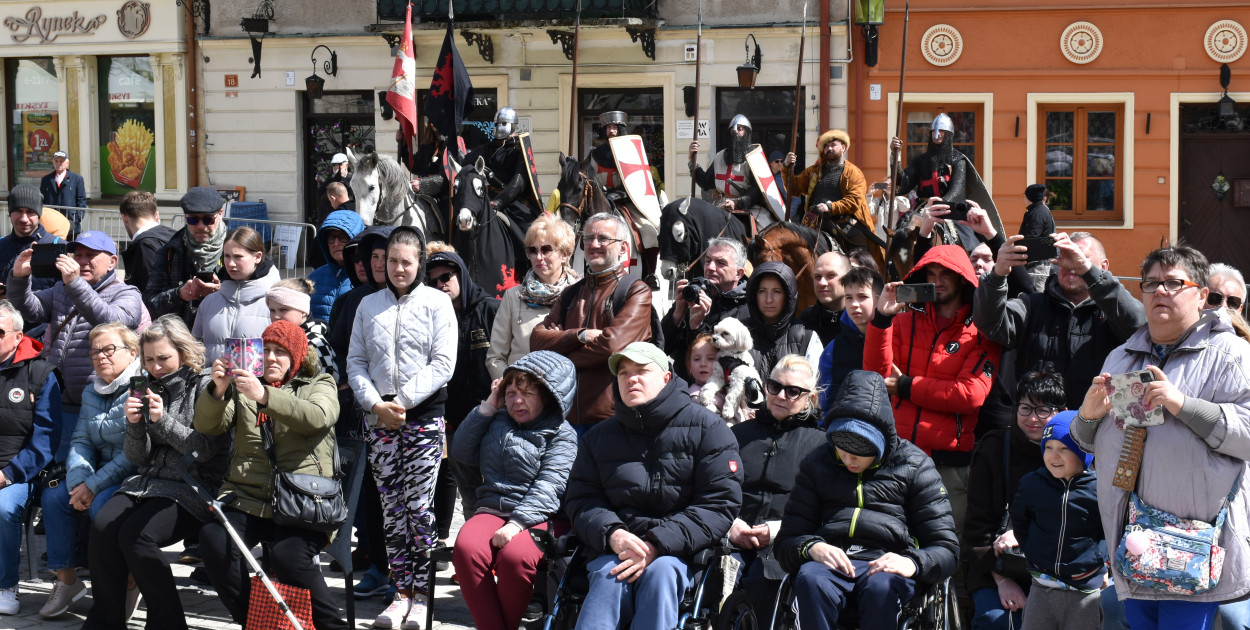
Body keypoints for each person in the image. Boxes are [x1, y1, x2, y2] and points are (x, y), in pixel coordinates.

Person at [1070, 244, 1250, 630]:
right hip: (1133, 540)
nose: (1161, 292)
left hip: (1192, 545)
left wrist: (1183, 405)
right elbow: (1088, 443)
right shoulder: (1122, 356)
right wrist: (1086, 416)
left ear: (1202, 295)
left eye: (1174, 282)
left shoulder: (1232, 354)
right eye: (1151, 284)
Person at [563, 341, 742, 630]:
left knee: (660, 573)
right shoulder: (598, 438)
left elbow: (719, 503)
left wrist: (658, 543)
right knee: (610, 573)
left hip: (680, 552)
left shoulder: (709, 429)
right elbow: (581, 499)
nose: (631, 378)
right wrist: (612, 533)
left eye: (641, 371)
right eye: (623, 373)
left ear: (667, 378)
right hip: (616, 548)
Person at [775, 369, 959, 630]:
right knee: (810, 578)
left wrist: (912, 562)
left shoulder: (916, 466)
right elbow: (787, 540)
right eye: (842, 449)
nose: (849, 460)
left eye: (860, 452)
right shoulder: (818, 462)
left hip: (888, 562)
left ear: (881, 442)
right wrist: (811, 547)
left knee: (881, 586)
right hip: (830, 561)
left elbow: (947, 549)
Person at [194, 320, 344, 629]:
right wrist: (217, 390)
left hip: (303, 500)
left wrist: (264, 395)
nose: (272, 358)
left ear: (298, 357)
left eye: (281, 352)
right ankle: (255, 621)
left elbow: (318, 417)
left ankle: (334, 626)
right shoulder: (244, 385)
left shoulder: (319, 382)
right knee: (214, 541)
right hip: (249, 496)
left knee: (289, 557)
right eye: (267, 350)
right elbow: (208, 426)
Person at [83, 315, 228, 630]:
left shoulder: (205, 385)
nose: (156, 366)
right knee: (103, 526)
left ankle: (168, 623)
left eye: (163, 358)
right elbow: (137, 457)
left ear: (183, 352)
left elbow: (204, 451)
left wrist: (162, 421)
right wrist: (134, 427)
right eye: (149, 360)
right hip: (146, 483)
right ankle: (106, 621)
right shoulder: (145, 387)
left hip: (193, 485)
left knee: (137, 536)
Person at [348, 226, 456, 629]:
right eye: (391, 260)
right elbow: (355, 362)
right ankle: (401, 592)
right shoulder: (368, 305)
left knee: (417, 507)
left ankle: (424, 594)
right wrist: (376, 403)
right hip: (379, 418)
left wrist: (403, 402)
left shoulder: (436, 304)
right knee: (391, 509)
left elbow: (443, 364)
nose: (397, 268)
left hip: (422, 417)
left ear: (419, 264)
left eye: (406, 262)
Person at [864, 243, 1001, 537]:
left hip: (948, 465)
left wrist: (906, 386)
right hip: (896, 455)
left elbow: (970, 395)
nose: (937, 281)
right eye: (931, 273)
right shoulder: (901, 320)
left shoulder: (982, 331)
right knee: (891, 543)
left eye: (945, 274)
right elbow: (877, 376)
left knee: (948, 550)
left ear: (963, 278)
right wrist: (882, 319)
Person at [450, 351, 578, 630]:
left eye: (527, 393)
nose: (517, 401)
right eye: (510, 393)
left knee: (515, 557)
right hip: (492, 507)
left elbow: (551, 484)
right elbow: (460, 454)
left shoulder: (562, 433)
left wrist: (517, 523)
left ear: (547, 395)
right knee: (466, 548)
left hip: (540, 516)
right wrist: (487, 408)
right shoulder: (495, 420)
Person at [8, 230, 147, 463]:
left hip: (100, 402)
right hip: (59, 399)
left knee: (84, 465)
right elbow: (28, 310)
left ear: (112, 262)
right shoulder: (62, 289)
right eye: (78, 254)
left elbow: (112, 322)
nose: (82, 260)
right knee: (55, 465)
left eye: (90, 255)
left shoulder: (127, 293)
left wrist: (75, 284)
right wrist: (20, 277)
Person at [974, 231, 1145, 412]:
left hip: (1096, 427)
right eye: (1064, 256)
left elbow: (1138, 324)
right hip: (1037, 427)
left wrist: (1088, 271)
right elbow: (990, 324)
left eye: (1079, 257)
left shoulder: (1114, 309)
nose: (1071, 265)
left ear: (1104, 266)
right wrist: (996, 276)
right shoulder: (1032, 305)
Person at [39, 323, 140, 618]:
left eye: (109, 349)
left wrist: (93, 486)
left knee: (100, 508)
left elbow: (134, 454)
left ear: (132, 352)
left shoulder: (142, 388)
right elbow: (81, 441)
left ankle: (127, 580)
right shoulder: (91, 390)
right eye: (95, 351)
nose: (100, 357)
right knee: (55, 498)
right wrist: (80, 481)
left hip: (134, 474)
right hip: (95, 473)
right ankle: (67, 581)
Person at [530, 213, 654, 430]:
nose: (594, 244)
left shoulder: (636, 291)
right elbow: (536, 341)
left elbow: (611, 347)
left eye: (603, 238)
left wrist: (560, 351)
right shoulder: (570, 294)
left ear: (623, 248)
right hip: (565, 420)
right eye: (588, 238)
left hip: (612, 420)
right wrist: (580, 335)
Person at [963, 369, 1063, 630]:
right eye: (1025, 408)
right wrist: (1002, 581)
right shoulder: (994, 447)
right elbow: (977, 529)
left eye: (1043, 410)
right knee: (998, 620)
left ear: (1061, 412)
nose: (1032, 418)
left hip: (1057, 568)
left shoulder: (1075, 451)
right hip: (996, 566)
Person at [729, 354, 826, 622]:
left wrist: (775, 531)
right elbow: (714, 490)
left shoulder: (821, 446)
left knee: (765, 579)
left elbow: (825, 508)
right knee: (717, 572)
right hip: (732, 536)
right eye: (774, 386)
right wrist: (731, 525)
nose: (781, 395)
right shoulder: (737, 435)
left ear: (810, 398)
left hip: (786, 541)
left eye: (793, 391)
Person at [425, 250, 500, 552]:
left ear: (461, 275)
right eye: (433, 281)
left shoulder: (491, 309)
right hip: (454, 421)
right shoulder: (432, 317)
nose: (441, 284)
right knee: (468, 492)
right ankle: (475, 554)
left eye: (446, 277)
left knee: (497, 492)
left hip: (493, 419)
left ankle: (496, 554)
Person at [1009, 413, 1105, 630]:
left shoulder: (1099, 489)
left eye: (1064, 449)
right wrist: (1030, 549)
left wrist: (1100, 559)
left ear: (1084, 452)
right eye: (1048, 447)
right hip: (1041, 585)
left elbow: (1108, 530)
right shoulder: (1033, 483)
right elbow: (1020, 519)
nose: (1054, 455)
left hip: (1084, 590)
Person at [0, 300, 59, 616]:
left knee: (3, 507)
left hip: (21, 472)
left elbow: (44, 443)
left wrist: (7, 474)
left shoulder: (41, 375)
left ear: (19, 336)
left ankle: (5, 586)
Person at [486, 214, 579, 380]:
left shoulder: (580, 294)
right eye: (532, 250)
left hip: (567, 391)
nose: (539, 257)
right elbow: (495, 357)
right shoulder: (513, 296)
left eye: (546, 249)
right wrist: (512, 386)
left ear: (564, 254)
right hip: (522, 395)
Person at [782, 129, 882, 265]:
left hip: (846, 226)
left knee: (859, 263)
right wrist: (787, 167)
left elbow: (854, 200)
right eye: (826, 146)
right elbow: (793, 188)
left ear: (843, 147)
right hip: (816, 224)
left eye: (833, 145)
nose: (829, 149)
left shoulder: (853, 173)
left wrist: (831, 207)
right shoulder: (813, 172)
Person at [662, 237, 750, 379]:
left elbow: (720, 366)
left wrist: (697, 327)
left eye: (721, 263)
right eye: (708, 260)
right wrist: (676, 315)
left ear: (738, 274)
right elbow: (659, 349)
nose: (710, 267)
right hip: (681, 390)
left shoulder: (748, 309)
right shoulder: (691, 296)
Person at [192, 226, 281, 365]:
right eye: (227, 256)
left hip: (260, 385)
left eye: (238, 256)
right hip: (212, 384)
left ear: (257, 257)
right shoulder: (208, 303)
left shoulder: (277, 303)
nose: (231, 263)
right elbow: (194, 352)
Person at [145, 186, 228, 327]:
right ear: (185, 218)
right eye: (193, 220)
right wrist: (179, 294)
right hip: (183, 337)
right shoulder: (168, 252)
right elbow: (149, 304)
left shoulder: (238, 249)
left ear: (220, 214)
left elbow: (255, 298)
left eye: (208, 220)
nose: (201, 226)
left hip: (222, 334)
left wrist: (223, 292)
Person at [689, 115, 781, 230]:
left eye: (740, 129)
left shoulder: (754, 157)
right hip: (720, 205)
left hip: (748, 206)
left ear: (747, 133)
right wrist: (692, 160)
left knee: (766, 234)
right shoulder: (720, 156)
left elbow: (757, 190)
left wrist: (737, 203)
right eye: (733, 129)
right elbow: (706, 183)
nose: (736, 131)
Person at [741, 261, 822, 379]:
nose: (769, 299)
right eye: (762, 291)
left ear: (789, 296)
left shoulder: (806, 338)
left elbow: (814, 387)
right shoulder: (739, 332)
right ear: (754, 295)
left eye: (777, 291)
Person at [816, 266, 882, 409]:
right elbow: (824, 400)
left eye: (862, 297)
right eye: (848, 298)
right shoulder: (833, 349)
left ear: (880, 299)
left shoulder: (898, 340)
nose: (854, 305)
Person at [268, 278, 337, 381]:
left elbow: (326, 384)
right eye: (272, 310)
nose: (276, 316)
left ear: (303, 311)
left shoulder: (315, 343)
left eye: (284, 310)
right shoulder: (273, 339)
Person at [308, 209, 365, 323]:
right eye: (331, 238)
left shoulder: (365, 277)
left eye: (342, 237)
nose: (336, 243)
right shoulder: (313, 278)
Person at [0, 183, 54, 301]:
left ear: (39, 214)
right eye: (18, 211)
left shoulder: (57, 247)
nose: (24, 219)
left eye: (30, 212)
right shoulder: (1, 246)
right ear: (10, 213)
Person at [118, 191, 175, 298]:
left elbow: (149, 290)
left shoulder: (144, 245)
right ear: (157, 215)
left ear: (125, 218)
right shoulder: (173, 235)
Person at [800, 251, 852, 346]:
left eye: (831, 275)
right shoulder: (806, 319)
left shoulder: (859, 318)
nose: (822, 283)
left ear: (848, 278)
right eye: (817, 277)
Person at [40, 150, 86, 235]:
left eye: (61, 161)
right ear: (53, 163)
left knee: (70, 247)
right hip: (51, 224)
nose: (59, 163)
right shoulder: (46, 179)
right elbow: (41, 200)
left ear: (67, 163)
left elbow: (81, 200)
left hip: (71, 224)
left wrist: (77, 218)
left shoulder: (77, 179)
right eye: (56, 161)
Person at [316, 153, 353, 224]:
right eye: (334, 164)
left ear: (347, 165)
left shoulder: (352, 180)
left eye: (339, 164)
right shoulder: (329, 180)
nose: (336, 167)